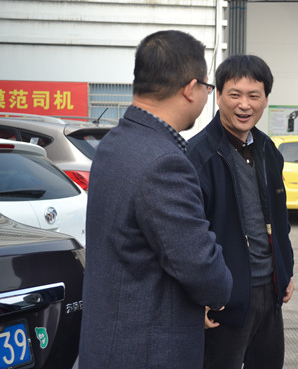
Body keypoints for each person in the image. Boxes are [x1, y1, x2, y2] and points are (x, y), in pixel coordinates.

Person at [79, 30, 232, 368]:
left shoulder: (114, 142)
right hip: (148, 352)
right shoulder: (164, 162)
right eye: (208, 88)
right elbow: (200, 265)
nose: (206, 96)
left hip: (110, 342)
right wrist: (221, 286)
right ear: (190, 88)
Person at [186, 54, 294, 369]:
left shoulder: (268, 150)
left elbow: (280, 220)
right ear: (218, 95)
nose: (244, 105)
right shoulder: (197, 156)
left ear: (266, 100)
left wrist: (285, 270)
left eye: (253, 96)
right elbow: (189, 238)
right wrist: (200, 296)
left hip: (269, 293)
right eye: (235, 94)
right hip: (224, 300)